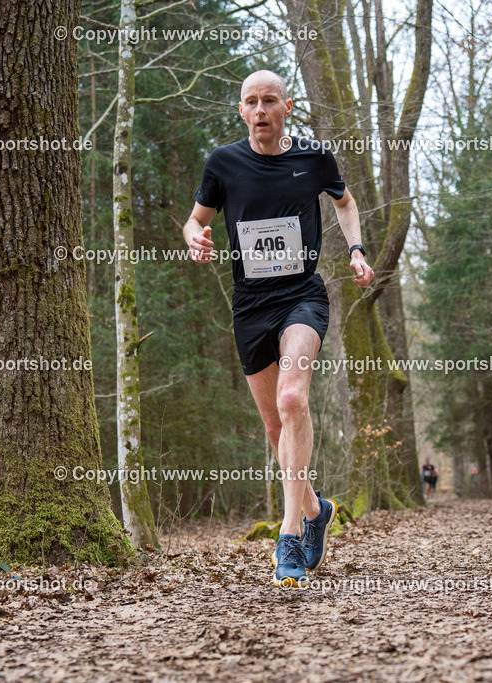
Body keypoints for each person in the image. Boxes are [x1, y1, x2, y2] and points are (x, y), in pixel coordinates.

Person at [183, 70, 374, 588]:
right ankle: (315, 509)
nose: (261, 109)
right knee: (274, 427)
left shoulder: (313, 157)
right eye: (251, 101)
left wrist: (356, 250)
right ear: (241, 111)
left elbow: (346, 202)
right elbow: (194, 219)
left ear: (286, 107)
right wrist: (195, 238)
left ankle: (289, 534)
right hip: (250, 305)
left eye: (270, 100)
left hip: (301, 297)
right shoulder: (223, 163)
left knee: (293, 400)